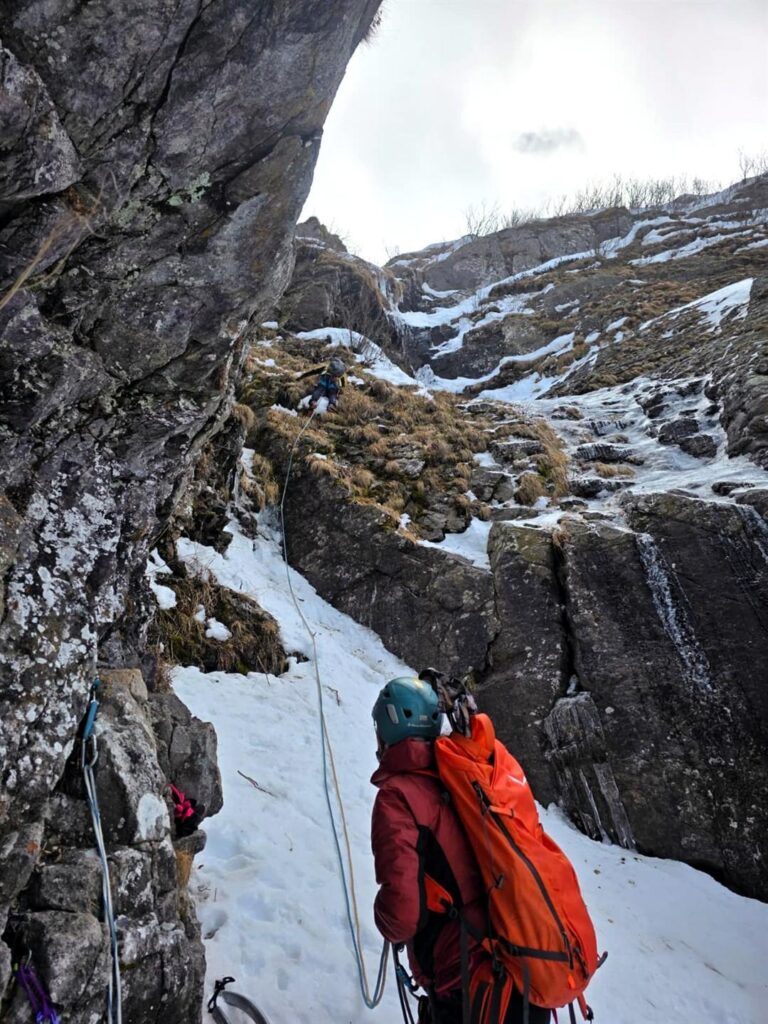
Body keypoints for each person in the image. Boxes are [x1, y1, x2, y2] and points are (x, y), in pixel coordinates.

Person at [370, 676, 551, 1024]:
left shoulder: (397, 798)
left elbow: (402, 914)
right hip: (520, 958)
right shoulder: (463, 775)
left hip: (466, 978)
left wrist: (385, 918)